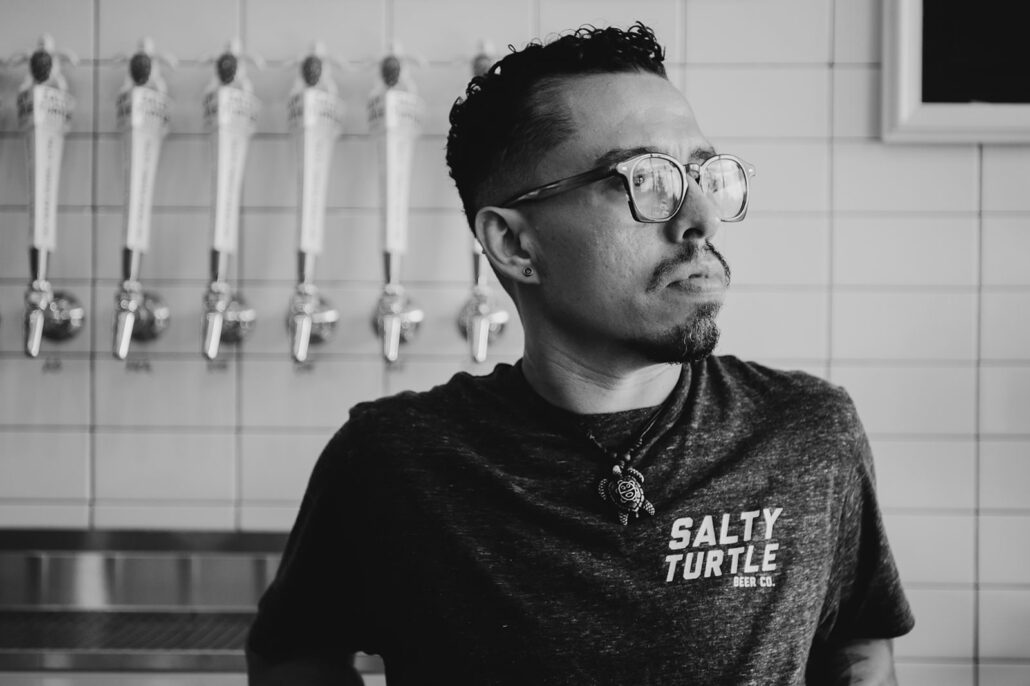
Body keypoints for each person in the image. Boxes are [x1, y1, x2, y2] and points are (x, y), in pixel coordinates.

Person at [246, 22, 914, 685]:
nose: (703, 219)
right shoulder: (394, 462)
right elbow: (292, 656)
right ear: (515, 245)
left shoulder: (806, 434)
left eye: (702, 175)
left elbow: (857, 645)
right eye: (646, 180)